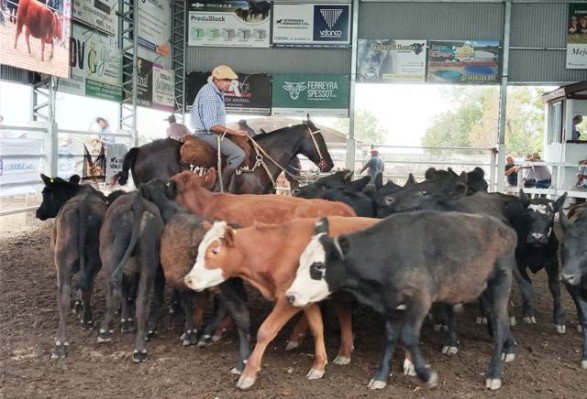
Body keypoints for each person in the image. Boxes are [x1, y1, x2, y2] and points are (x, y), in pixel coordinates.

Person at [190, 65, 248, 192]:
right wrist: (235, 133)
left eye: (230, 80)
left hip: (211, 133)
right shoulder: (210, 94)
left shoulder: (216, 92)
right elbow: (212, 125)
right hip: (206, 134)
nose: (229, 84)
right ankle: (220, 187)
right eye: (225, 80)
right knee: (238, 154)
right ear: (216, 79)